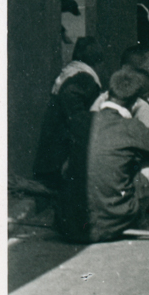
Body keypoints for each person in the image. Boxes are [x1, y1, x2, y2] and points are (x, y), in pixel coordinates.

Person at [84, 67, 149, 243]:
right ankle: (139, 217)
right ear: (135, 102)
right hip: (114, 223)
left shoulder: (82, 121)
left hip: (72, 226)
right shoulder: (131, 127)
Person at [33, 37, 104, 192]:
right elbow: (74, 105)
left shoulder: (70, 72)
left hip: (52, 156)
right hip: (60, 158)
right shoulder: (85, 78)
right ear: (98, 63)